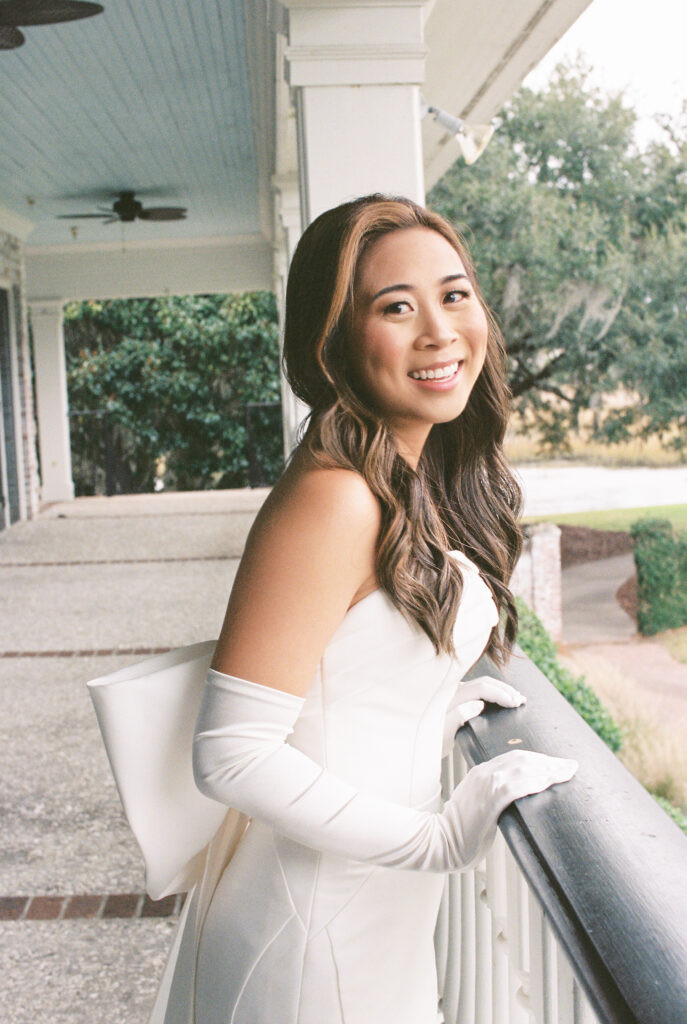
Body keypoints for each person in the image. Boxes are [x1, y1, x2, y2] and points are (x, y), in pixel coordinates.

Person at [182, 194, 578, 1024]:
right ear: (332, 344)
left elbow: (338, 672)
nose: (439, 331)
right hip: (312, 937)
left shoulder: (400, 479)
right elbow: (231, 752)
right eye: (395, 308)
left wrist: (427, 709)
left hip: (371, 927)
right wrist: (431, 839)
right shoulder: (335, 495)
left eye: (454, 294)